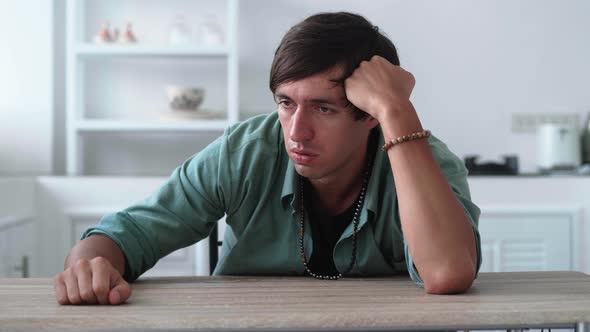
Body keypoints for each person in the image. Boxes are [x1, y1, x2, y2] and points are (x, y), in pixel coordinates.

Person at [54, 11, 482, 305]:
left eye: (323, 108)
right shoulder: (245, 151)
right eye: (285, 103)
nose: (296, 131)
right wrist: (88, 268)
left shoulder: (424, 163)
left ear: (371, 114)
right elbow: (126, 233)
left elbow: (447, 274)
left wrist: (397, 110)